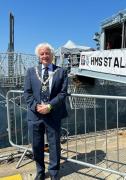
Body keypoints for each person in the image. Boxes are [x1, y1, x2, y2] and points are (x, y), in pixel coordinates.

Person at [24, 42, 68, 180]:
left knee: (54, 145)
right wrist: (37, 106)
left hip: (53, 114)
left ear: (51, 55)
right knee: (37, 146)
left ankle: (54, 173)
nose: (45, 56)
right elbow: (27, 93)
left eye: (47, 53)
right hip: (35, 115)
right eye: (42, 53)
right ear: (39, 56)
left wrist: (49, 106)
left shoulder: (61, 71)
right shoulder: (31, 71)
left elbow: (62, 93)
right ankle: (40, 171)